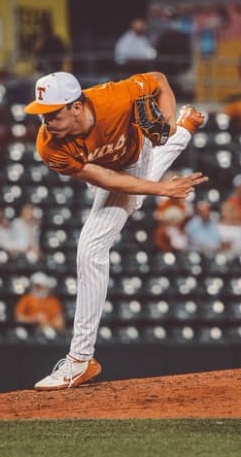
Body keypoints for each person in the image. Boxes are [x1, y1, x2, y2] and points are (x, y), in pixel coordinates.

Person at [22, 70, 207, 390]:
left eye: (52, 114)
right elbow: (107, 181)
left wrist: (166, 124)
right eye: (41, 116)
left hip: (137, 153)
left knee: (91, 249)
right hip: (112, 170)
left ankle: (79, 360)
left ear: (76, 107)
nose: (46, 123)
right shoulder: (49, 147)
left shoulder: (116, 97)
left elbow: (160, 79)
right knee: (125, 207)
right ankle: (185, 129)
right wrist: (161, 189)